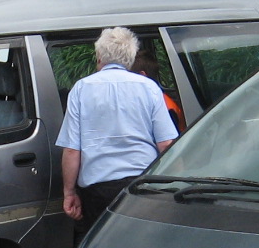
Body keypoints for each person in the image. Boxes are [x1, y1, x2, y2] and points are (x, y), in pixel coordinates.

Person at [58, 26, 177, 233]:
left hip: (98, 191)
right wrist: (173, 186)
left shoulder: (81, 89)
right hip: (143, 184)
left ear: (99, 57)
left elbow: (71, 150)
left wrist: (69, 192)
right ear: (130, 58)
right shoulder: (149, 87)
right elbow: (166, 144)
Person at [130, 48, 186, 133]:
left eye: (128, 76)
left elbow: (169, 143)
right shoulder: (152, 99)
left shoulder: (166, 108)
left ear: (142, 76)